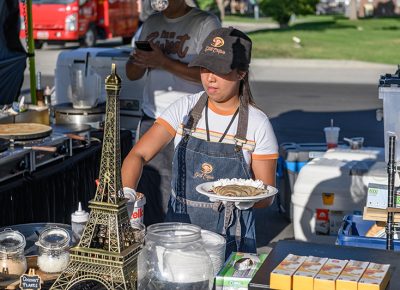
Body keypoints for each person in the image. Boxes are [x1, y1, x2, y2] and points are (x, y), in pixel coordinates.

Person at [122, 27, 278, 256]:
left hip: (233, 238)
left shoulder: (258, 124)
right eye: (205, 68)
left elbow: (267, 194)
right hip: (180, 235)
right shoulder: (184, 109)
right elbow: (139, 155)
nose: (210, 78)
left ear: (241, 73)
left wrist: (246, 201)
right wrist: (126, 194)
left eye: (220, 70)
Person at [125, 0, 220, 226]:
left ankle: (192, 237)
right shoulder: (151, 22)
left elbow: (212, 74)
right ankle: (159, 239)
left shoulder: (204, 22)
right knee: (154, 187)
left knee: (193, 186)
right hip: (154, 116)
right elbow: (132, 73)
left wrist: (163, 61)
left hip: (194, 120)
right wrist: (142, 60)